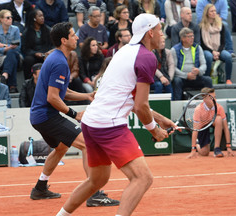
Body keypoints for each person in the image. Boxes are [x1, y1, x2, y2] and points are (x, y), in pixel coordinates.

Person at [55, 14, 176, 216]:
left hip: (92, 122)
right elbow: (140, 106)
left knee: (97, 180)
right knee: (142, 178)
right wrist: (154, 130)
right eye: (160, 30)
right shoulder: (147, 57)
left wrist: (161, 120)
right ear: (150, 32)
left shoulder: (125, 51)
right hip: (108, 125)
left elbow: (132, 100)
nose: (162, 34)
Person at [29, 22, 119, 207]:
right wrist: (74, 114)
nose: (77, 37)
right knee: (87, 144)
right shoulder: (60, 62)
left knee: (61, 148)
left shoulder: (56, 58)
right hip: (47, 116)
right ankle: (94, 194)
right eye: (72, 35)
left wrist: (86, 95)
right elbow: (53, 98)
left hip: (40, 116)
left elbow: (63, 92)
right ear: (64, 40)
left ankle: (40, 188)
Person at [187, 87, 234, 158]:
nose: (214, 100)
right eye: (211, 98)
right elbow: (195, 130)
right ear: (204, 99)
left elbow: (226, 127)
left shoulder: (219, 107)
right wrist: (193, 149)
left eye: (215, 97)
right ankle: (197, 144)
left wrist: (228, 146)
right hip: (202, 125)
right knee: (204, 153)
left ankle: (217, 149)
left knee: (218, 119)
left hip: (213, 122)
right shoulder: (198, 110)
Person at [171, 27, 213, 100]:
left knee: (208, 80)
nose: (192, 38)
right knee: (176, 81)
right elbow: (173, 68)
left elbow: (204, 64)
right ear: (183, 38)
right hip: (182, 78)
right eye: (189, 36)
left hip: (195, 76)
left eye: (193, 36)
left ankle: (211, 102)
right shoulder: (174, 50)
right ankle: (177, 104)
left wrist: (198, 71)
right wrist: (186, 75)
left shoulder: (197, 47)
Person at [200, 4, 233, 84]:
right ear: (207, 13)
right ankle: (207, 79)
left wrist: (218, 51)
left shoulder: (221, 25)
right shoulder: (201, 26)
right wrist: (212, 51)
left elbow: (223, 42)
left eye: (215, 11)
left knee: (228, 57)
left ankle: (228, 79)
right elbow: (202, 44)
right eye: (212, 11)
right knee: (208, 56)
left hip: (219, 49)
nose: (214, 13)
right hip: (207, 49)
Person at [0, 10, 22, 93]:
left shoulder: (16, 29)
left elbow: (18, 47)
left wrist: (3, 45)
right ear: (1, 19)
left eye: (11, 17)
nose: (10, 19)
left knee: (12, 53)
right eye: (8, 18)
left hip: (16, 55)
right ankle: (12, 86)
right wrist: (9, 46)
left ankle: (5, 75)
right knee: (12, 55)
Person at [22, 9, 54, 80]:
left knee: (52, 58)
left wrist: (48, 53)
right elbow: (25, 49)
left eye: (43, 16)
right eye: (40, 16)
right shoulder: (27, 32)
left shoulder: (48, 30)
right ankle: (28, 81)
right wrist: (35, 53)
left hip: (46, 53)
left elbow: (53, 45)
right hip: (34, 55)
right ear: (34, 18)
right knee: (28, 60)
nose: (42, 18)